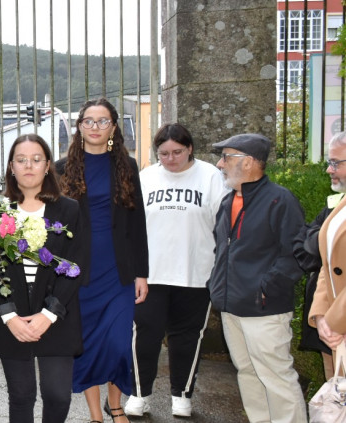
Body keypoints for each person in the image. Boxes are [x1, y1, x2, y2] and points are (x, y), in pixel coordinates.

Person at [0, 134, 88, 423]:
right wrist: (9, 316)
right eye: (21, 160)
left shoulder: (69, 210)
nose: (29, 166)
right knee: (22, 394)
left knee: (58, 394)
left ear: (48, 165)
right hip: (11, 313)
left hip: (56, 311)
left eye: (36, 159)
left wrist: (49, 314)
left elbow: (77, 264)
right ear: (11, 168)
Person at [56, 98, 148, 423]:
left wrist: (142, 273)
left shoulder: (127, 165)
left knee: (118, 341)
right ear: (79, 127)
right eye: (89, 121)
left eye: (103, 121)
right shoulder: (61, 168)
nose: (95, 127)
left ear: (112, 127)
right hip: (80, 272)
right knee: (88, 342)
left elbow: (138, 223)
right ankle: (96, 414)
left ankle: (116, 404)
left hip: (118, 270)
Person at [126, 123, 226, 418]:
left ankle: (182, 394)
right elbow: (133, 227)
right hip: (151, 274)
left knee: (188, 337)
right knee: (145, 336)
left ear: (190, 148)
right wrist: (135, 271)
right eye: (164, 153)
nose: (170, 159)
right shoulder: (146, 177)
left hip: (195, 273)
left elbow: (223, 224)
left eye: (177, 152)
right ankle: (139, 393)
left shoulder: (210, 176)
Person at [209, 133, 307, 423]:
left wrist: (265, 289)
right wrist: (216, 287)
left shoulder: (280, 200)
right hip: (231, 306)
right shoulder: (229, 202)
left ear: (249, 162)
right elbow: (222, 250)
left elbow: (294, 255)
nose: (219, 164)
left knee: (276, 377)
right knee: (248, 373)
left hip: (264, 309)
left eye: (226, 157)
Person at [308, 132, 346, 369]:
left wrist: (333, 322)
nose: (328, 170)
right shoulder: (341, 204)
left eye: (335, 163)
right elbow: (328, 264)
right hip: (334, 332)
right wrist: (320, 314)